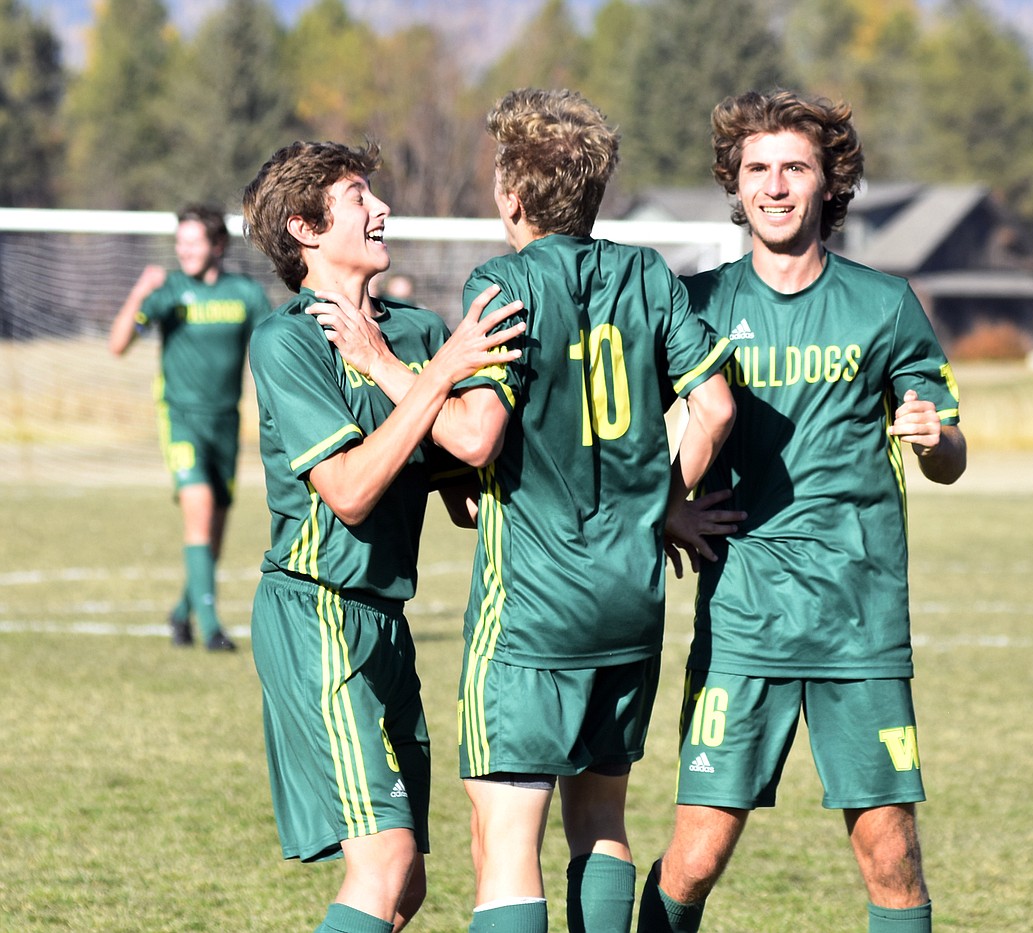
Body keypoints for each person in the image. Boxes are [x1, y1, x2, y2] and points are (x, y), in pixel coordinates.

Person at [636, 89, 967, 933]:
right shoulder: (695, 303)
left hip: (858, 619)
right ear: (734, 184)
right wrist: (667, 508)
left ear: (829, 184)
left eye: (794, 167)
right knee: (697, 853)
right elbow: (625, 434)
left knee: (889, 852)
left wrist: (934, 437)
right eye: (756, 169)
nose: (775, 186)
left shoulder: (885, 304)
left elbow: (953, 455)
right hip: (744, 613)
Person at [442, 88, 734, 933]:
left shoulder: (503, 280)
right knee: (602, 822)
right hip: (631, 597)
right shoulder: (645, 273)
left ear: (514, 198)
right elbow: (713, 406)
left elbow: (477, 437)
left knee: (505, 838)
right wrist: (669, 500)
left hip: (535, 605)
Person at [240, 140, 525, 933]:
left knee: (407, 889)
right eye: (359, 196)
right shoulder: (289, 341)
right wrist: (434, 379)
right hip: (316, 612)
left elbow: (460, 462)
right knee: (384, 862)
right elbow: (352, 491)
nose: (381, 209)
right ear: (304, 226)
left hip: (385, 621)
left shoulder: (421, 328)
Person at [108, 204, 271, 652]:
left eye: (193, 241)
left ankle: (181, 613)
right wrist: (141, 291)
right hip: (181, 421)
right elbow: (118, 343)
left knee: (213, 534)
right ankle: (212, 628)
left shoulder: (246, 295)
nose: (184, 250)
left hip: (226, 426)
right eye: (180, 242)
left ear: (218, 245)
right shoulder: (170, 291)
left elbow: (269, 356)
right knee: (198, 513)